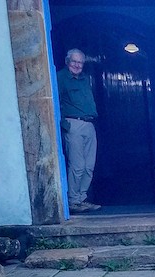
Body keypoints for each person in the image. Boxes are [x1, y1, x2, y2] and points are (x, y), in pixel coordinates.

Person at [57, 48, 100, 214]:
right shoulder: (61, 78)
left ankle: (82, 198)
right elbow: (55, 100)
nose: (77, 65)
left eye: (80, 62)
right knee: (78, 165)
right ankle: (73, 200)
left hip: (89, 123)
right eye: (74, 61)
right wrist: (64, 124)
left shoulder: (84, 79)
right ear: (68, 61)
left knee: (89, 165)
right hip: (73, 123)